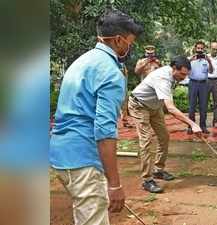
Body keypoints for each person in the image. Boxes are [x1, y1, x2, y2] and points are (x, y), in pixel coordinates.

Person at [49, 9, 143, 225]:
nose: (131, 48)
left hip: (60, 153)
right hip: (83, 158)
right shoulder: (110, 72)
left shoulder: (83, 61)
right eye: (131, 42)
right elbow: (104, 131)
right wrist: (114, 184)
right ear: (119, 40)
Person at [129, 56, 203, 193]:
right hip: (139, 105)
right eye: (182, 74)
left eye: (186, 75)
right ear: (174, 68)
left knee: (164, 137)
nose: (184, 77)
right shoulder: (163, 78)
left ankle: (158, 170)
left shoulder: (173, 75)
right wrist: (192, 124)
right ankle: (147, 180)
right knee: (146, 141)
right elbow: (171, 108)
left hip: (154, 107)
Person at [187, 41, 214, 134]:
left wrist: (209, 61)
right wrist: (190, 60)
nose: (200, 50)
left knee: (203, 106)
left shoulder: (206, 60)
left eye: (202, 48)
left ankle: (203, 126)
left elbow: (211, 71)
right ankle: (191, 126)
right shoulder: (190, 59)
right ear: (195, 49)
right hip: (193, 84)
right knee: (191, 107)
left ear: (204, 49)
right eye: (198, 48)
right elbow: (184, 69)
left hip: (204, 84)